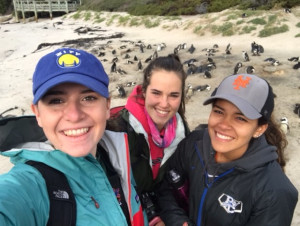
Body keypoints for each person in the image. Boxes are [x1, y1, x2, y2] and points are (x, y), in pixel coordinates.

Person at [0, 48, 146, 226]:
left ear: (107, 106)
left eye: (88, 98)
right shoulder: (30, 184)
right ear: (37, 113)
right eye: (56, 101)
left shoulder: (117, 156)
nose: (74, 115)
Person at [158, 74, 298, 226]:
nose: (224, 125)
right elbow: (164, 187)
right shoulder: (195, 144)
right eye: (219, 111)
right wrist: (178, 221)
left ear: (260, 129)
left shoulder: (274, 192)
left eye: (240, 118)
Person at [107, 54, 190, 224]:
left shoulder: (182, 133)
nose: (164, 103)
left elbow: (170, 186)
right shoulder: (118, 130)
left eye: (173, 95)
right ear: (144, 91)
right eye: (156, 93)